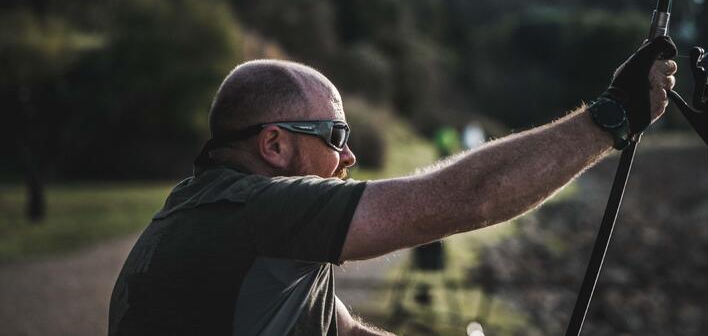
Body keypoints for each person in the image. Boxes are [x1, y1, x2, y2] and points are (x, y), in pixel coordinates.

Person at [109, 37, 677, 336]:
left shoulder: (209, 209)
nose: (349, 155)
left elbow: (341, 330)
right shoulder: (256, 211)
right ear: (275, 145)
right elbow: (461, 200)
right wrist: (613, 118)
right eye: (334, 134)